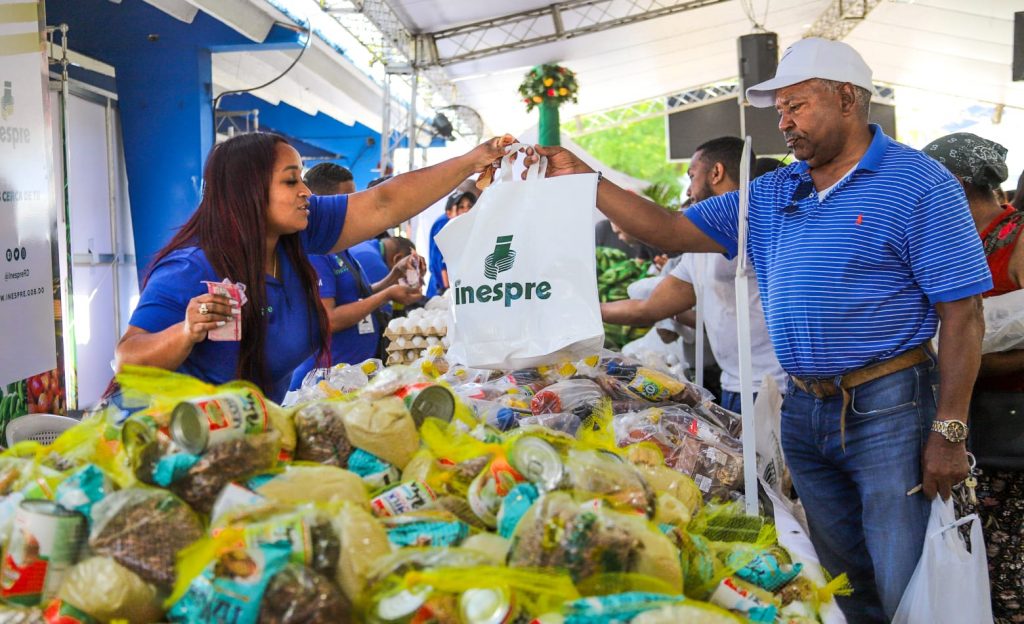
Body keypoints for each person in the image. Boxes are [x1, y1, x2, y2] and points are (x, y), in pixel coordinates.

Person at [531, 37, 990, 622]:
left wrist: (950, 430)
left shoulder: (919, 184)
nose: (784, 123)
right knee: (837, 575)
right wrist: (587, 179)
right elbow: (670, 231)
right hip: (802, 406)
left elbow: (963, 314)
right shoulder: (775, 192)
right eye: (779, 111)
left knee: (902, 571)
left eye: (796, 106)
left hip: (890, 407)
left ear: (847, 99)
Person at [116, 132, 508, 402]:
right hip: (172, 444)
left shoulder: (297, 233)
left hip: (247, 432)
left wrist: (474, 160)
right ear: (248, 192)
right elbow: (128, 358)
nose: (305, 191)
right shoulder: (191, 265)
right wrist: (186, 331)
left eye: (302, 179)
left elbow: (383, 203)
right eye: (291, 182)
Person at [602, 137, 786, 413]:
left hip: (778, 389)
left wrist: (588, 180)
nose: (688, 190)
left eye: (692, 176)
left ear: (716, 173)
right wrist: (589, 309)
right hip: (735, 386)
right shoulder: (697, 251)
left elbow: (665, 230)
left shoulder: (753, 221)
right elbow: (648, 308)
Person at [924, 132, 1024, 623]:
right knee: (977, 569)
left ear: (954, 183)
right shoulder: (954, 244)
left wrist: (964, 360)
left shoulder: (1019, 237)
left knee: (1010, 581)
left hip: (1014, 436)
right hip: (968, 431)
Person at [287, 171, 425, 390]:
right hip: (322, 386)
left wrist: (393, 277)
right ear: (324, 203)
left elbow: (355, 298)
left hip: (348, 380)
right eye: (348, 198)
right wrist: (387, 295)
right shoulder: (316, 252)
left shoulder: (341, 249)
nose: (356, 205)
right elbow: (329, 318)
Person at [426, 190, 476, 297]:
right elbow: (442, 262)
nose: (466, 210)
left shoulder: (463, 225)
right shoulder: (444, 225)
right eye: (461, 207)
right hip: (442, 289)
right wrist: (447, 291)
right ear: (449, 213)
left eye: (470, 206)